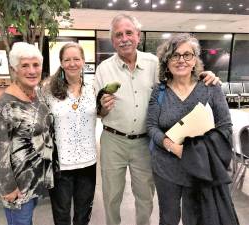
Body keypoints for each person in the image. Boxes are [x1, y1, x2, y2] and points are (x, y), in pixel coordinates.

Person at [94, 14, 220, 225]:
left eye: (128, 33)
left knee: (145, 196)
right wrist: (103, 109)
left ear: (138, 36)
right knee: (111, 196)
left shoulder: (154, 63)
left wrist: (205, 75)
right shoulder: (103, 69)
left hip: (145, 141)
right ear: (113, 40)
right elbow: (98, 111)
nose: (124, 38)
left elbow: (180, 78)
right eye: (118, 35)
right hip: (112, 140)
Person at [146, 33, 239, 225]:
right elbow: (151, 126)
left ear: (195, 59)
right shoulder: (160, 91)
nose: (181, 60)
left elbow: (225, 126)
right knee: (168, 218)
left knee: (196, 219)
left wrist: (196, 149)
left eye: (187, 55)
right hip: (166, 167)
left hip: (199, 167)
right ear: (167, 61)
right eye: (175, 55)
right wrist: (172, 146)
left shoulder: (210, 87)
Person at [0, 42, 55, 225]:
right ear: (14, 69)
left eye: (36, 65)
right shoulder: (6, 105)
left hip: (31, 179)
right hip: (16, 184)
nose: (32, 71)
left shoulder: (36, 94)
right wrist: (8, 187)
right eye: (25, 65)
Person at [42, 42, 97, 225]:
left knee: (83, 215)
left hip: (88, 162)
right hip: (61, 164)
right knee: (62, 215)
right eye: (67, 59)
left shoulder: (93, 88)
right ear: (61, 63)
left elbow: (102, 113)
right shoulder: (48, 90)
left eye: (76, 59)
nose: (72, 63)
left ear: (83, 61)